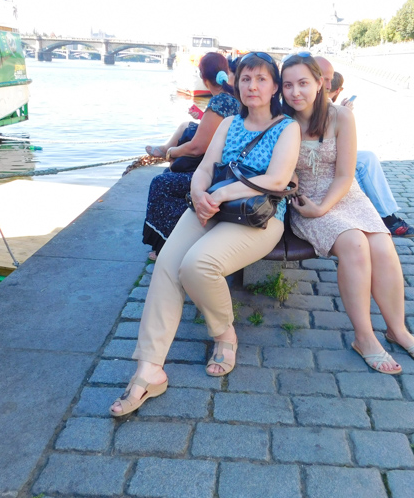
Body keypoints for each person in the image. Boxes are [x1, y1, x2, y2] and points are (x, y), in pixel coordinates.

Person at [110, 52, 301, 417]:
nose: (253, 86)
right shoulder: (229, 123)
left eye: (261, 79)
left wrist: (221, 193)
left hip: (258, 217)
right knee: (167, 264)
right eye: (246, 79)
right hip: (211, 207)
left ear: (275, 86)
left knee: (197, 265)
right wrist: (198, 193)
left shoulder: (286, 127)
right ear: (237, 84)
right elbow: (205, 168)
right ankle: (149, 370)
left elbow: (277, 179)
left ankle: (224, 334)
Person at [281, 53, 414, 374]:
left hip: (345, 196)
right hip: (307, 202)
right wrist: (297, 186)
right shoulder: (282, 122)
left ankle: (397, 329)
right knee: (354, 243)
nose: (295, 92)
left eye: (303, 83)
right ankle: (364, 337)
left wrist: (325, 205)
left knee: (382, 244)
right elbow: (281, 170)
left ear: (320, 84)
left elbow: (345, 175)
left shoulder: (341, 117)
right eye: (288, 85)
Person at [142, 52, 240, 258]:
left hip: (219, 173)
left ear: (204, 78)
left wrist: (172, 152)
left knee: (161, 184)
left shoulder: (220, 101)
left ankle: (167, 247)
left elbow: (198, 148)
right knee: (173, 167)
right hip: (229, 168)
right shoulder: (233, 96)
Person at [314, 57, 414, 238]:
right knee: (364, 162)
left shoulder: (326, 104)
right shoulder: (311, 100)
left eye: (329, 81)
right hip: (315, 158)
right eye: (324, 80)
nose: (326, 86)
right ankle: (388, 219)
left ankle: (383, 217)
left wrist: (341, 112)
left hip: (323, 154)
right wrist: (342, 113)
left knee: (365, 161)